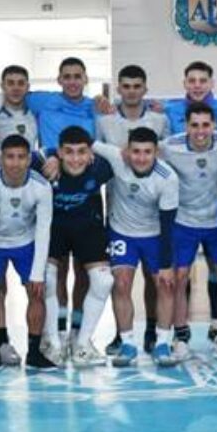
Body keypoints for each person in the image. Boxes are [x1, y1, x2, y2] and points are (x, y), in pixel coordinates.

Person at [77, 129, 179, 367]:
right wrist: (52, 156)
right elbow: (82, 139)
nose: (141, 158)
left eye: (147, 152)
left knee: (165, 284)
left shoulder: (167, 178)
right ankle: (127, 343)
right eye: (135, 151)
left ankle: (163, 342)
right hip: (122, 232)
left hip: (155, 234)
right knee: (120, 283)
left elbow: (168, 224)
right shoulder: (115, 157)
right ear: (126, 150)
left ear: (156, 153)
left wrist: (166, 265)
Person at [158, 103, 217, 365]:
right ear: (186, 126)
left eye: (206, 125)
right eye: (194, 125)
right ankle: (181, 337)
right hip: (184, 221)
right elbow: (138, 153)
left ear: (214, 125)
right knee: (180, 277)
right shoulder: (170, 146)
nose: (200, 131)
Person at [0, 135, 57, 371]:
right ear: (1, 159)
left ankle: (34, 352)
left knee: (38, 291)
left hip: (26, 241)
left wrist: (37, 272)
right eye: (10, 157)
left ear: (29, 159)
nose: (16, 163)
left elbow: (43, 230)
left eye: (21, 157)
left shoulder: (41, 187)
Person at [40, 126, 115, 367]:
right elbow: (23, 153)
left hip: (88, 228)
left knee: (103, 281)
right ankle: (53, 340)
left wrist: (96, 147)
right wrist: (50, 155)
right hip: (54, 229)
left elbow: (121, 154)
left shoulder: (100, 167)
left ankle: (82, 343)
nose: (75, 158)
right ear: (60, 152)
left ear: (90, 153)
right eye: (68, 152)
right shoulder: (45, 163)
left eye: (82, 152)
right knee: (49, 279)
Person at [163, 61, 217, 134]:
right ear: (184, 84)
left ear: (212, 83)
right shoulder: (170, 111)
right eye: (192, 81)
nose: (197, 86)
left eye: (203, 81)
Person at [0, 65, 39, 148]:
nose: (16, 88)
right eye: (10, 83)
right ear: (2, 86)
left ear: (27, 87)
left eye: (21, 83)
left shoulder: (37, 114)